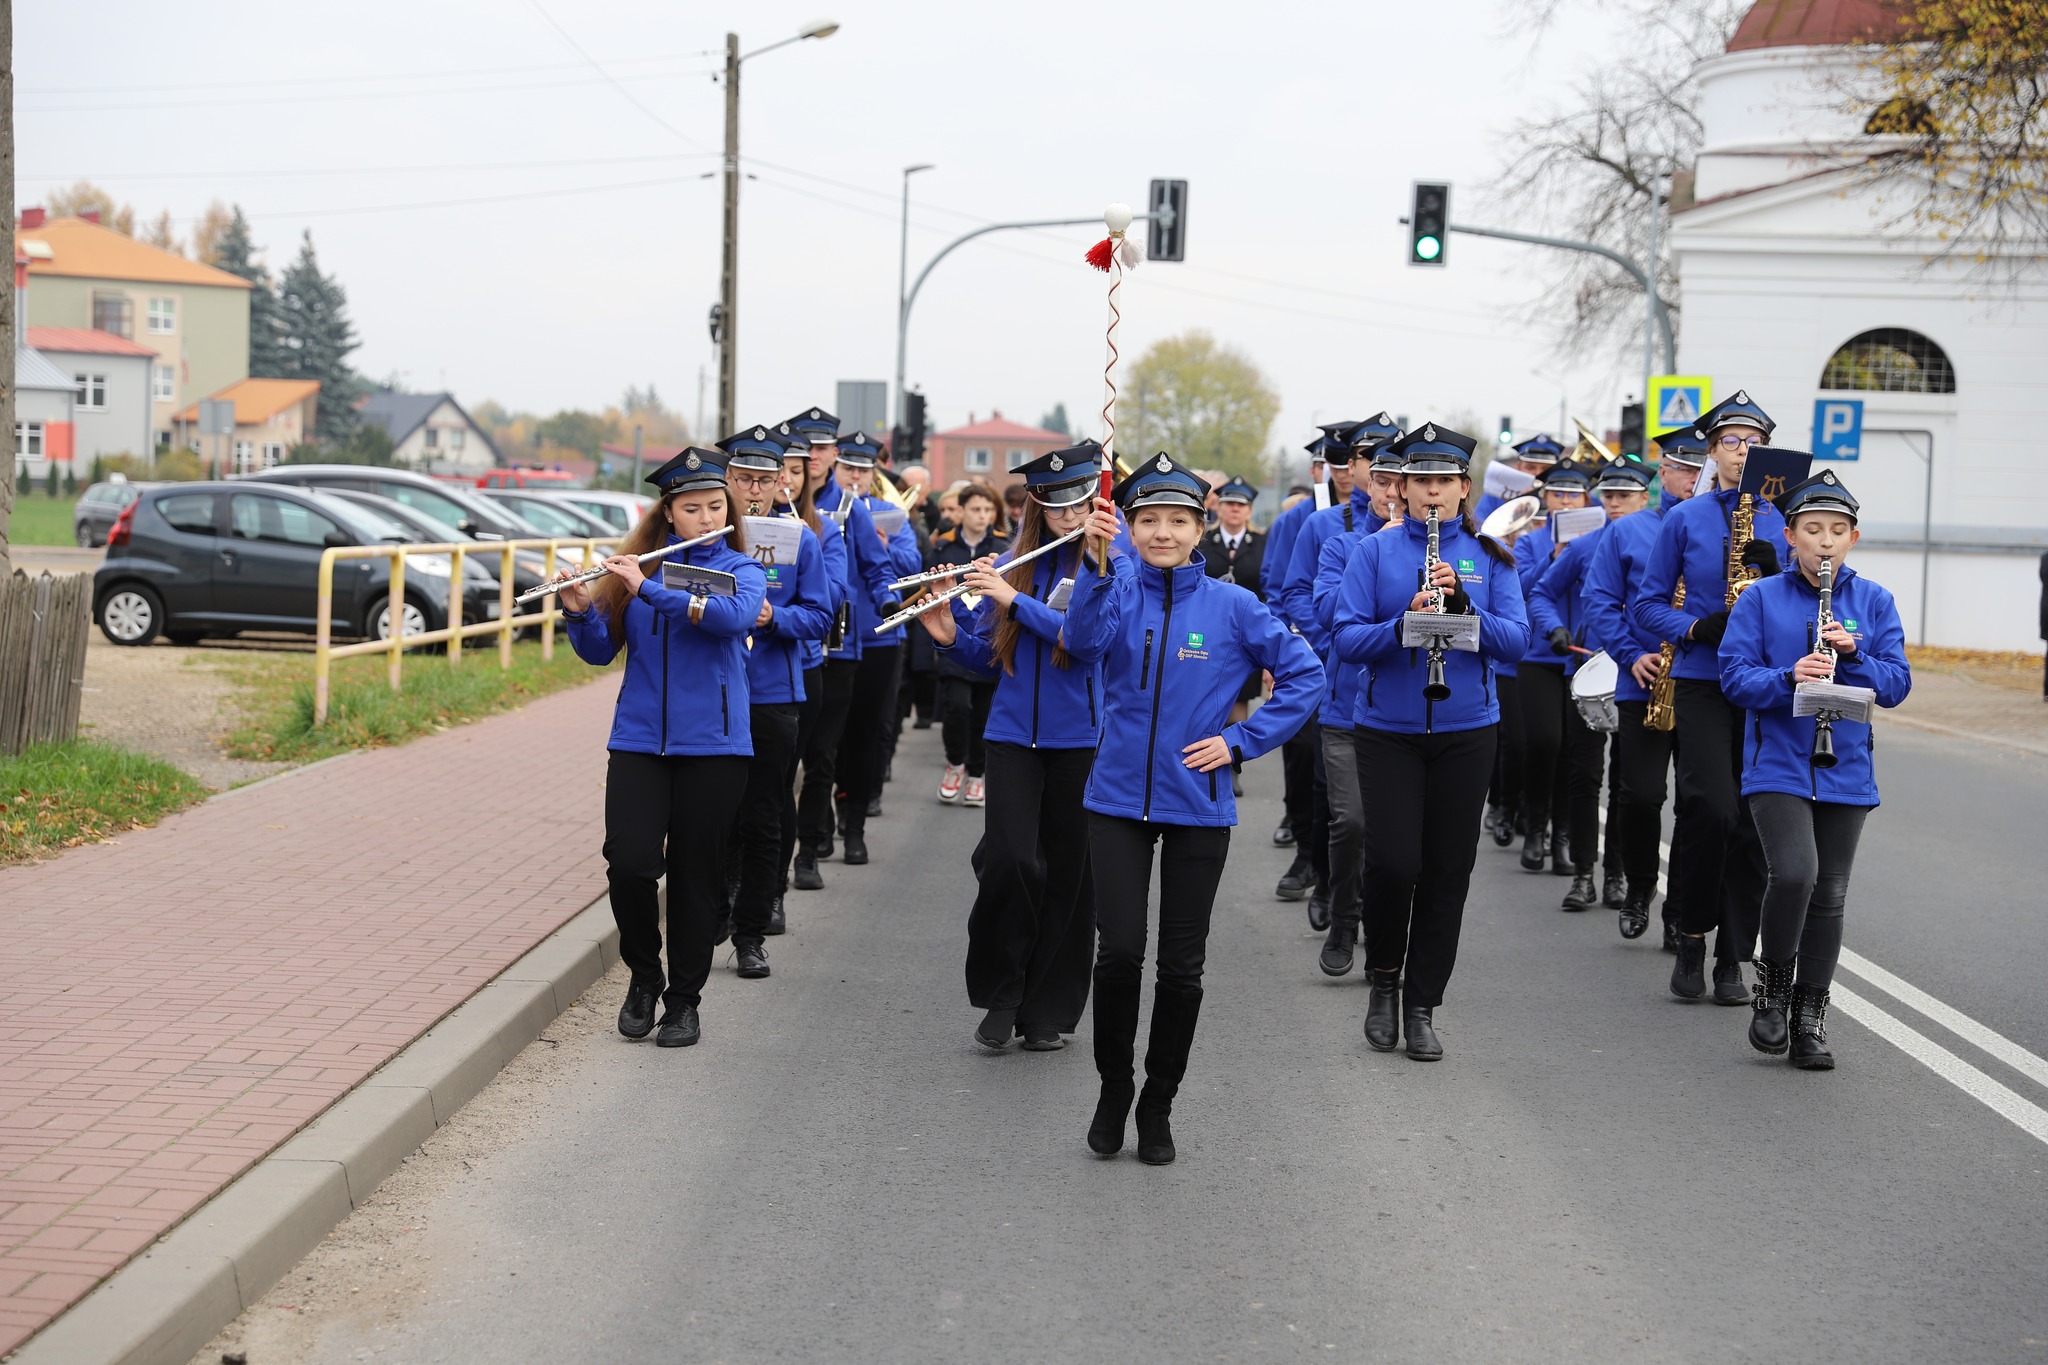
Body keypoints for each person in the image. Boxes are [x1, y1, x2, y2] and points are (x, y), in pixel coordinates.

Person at [1065, 453, 1322, 1165]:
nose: (1162, 533)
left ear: (1201, 528)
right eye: (1148, 520)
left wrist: (1241, 742)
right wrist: (1092, 564)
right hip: (1115, 798)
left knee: (1181, 967)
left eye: (1178, 521)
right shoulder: (1112, 585)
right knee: (1118, 952)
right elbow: (1079, 644)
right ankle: (1114, 1087)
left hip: (1198, 808)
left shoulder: (1236, 607)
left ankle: (1158, 1099)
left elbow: (1305, 674)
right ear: (1131, 527)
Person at [554, 447, 766, 1049]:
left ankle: (684, 1002)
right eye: (691, 508)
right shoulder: (637, 570)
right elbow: (600, 652)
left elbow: (731, 619)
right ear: (669, 514)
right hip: (641, 741)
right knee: (628, 863)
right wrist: (579, 613)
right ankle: (644, 979)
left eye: (714, 506)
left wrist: (646, 588)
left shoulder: (740, 571)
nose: (704, 518)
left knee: (698, 878)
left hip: (717, 748)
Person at [1331, 423, 1530, 1061]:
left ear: (1464, 489)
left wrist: (1464, 605)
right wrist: (1404, 623)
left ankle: (1421, 1003)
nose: (1432, 493)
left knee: (1448, 872)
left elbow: (1518, 642)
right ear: (1401, 491)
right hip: (1387, 730)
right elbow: (1346, 638)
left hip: (1467, 730)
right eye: (1421, 482)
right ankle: (1383, 982)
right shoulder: (1375, 553)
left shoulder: (1491, 555)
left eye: (1444, 482)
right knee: (1393, 864)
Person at [918, 444, 1106, 1051]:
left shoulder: (1111, 568)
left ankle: (1045, 1008)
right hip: (1010, 740)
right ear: (1037, 506)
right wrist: (948, 638)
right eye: (1055, 503)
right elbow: (989, 656)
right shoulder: (1012, 564)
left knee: (1067, 876)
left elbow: (1086, 641)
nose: (1068, 514)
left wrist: (1011, 600)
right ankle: (1004, 990)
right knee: (1008, 861)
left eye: (1079, 501)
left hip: (1080, 739)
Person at [1720, 469, 1910, 1068]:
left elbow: (1898, 684)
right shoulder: (1760, 598)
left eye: (1837, 531)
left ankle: (1810, 1016)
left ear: (1853, 538)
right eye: (1812, 530)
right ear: (1789, 535)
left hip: (1846, 766)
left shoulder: (1874, 601)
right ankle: (1773, 992)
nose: (1824, 542)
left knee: (1830, 892)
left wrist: (1854, 658)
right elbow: (1733, 677)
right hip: (1777, 763)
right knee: (1797, 873)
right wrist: (1787, 677)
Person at [1632, 391, 1790, 1004]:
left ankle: (1733, 956)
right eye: (1731, 440)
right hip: (1701, 677)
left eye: (1753, 442)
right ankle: (1692, 930)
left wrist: (1780, 575)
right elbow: (1645, 604)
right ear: (1713, 450)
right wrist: (1697, 628)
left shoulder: (1788, 515)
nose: (1741, 450)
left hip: (1768, 683)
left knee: (1754, 822)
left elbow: (1819, 597)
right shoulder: (1685, 518)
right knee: (1709, 807)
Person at [720, 427, 835, 979]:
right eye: (744, 479)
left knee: (765, 813)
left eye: (766, 480)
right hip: (716, 690)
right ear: (728, 479)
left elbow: (820, 616)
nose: (755, 490)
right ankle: (719, 904)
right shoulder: (701, 536)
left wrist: (774, 617)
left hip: (772, 691)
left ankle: (753, 929)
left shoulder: (798, 539)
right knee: (716, 811)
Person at [1585, 427, 1703, 946]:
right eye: (1683, 469)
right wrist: (1631, 656)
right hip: (1645, 681)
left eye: (1702, 471)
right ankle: (1638, 887)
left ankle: (1680, 910)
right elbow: (1601, 600)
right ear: (1664, 474)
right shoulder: (1627, 530)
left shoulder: (1727, 527)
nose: (1693, 480)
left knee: (1699, 804)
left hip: (1704, 683)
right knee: (1640, 795)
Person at [1306, 428, 1406, 973]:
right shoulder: (1341, 545)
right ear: (1365, 482)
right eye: (1382, 480)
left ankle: (1385, 928)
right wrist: (1377, 553)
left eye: (1401, 483)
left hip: (1409, 712)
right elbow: (1326, 611)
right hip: (1347, 708)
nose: (1391, 491)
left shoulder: (1434, 547)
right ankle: (1345, 918)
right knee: (1352, 822)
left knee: (1398, 840)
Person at [1528, 460, 1649, 911]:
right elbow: (1540, 593)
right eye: (1608, 495)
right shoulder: (1584, 546)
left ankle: (1616, 873)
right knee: (1584, 776)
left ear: (1644, 498)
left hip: (1640, 675)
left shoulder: (1661, 546)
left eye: (1624, 495)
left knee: (1628, 781)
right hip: (1587, 674)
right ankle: (1583, 874)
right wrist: (1555, 629)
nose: (1614, 503)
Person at [795, 411, 897, 882]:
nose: (814, 458)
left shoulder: (851, 508)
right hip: (787, 643)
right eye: (805, 449)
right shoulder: (780, 507)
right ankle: (812, 833)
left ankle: (848, 831)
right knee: (805, 750)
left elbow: (876, 568)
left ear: (833, 455)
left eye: (821, 449)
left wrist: (890, 599)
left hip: (842, 645)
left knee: (846, 745)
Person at [1264, 427, 1352, 856]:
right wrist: (1308, 645)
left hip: (1368, 658)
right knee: (1303, 753)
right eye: (1339, 465)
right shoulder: (1301, 519)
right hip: (1309, 651)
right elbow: (1279, 588)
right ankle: (1304, 846)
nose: (1350, 475)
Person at [773, 437, 846, 914]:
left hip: (803, 667)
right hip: (747, 675)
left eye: (795, 472)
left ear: (808, 479)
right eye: (776, 470)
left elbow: (832, 595)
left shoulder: (819, 531)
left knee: (806, 768)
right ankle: (755, 884)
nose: (784, 480)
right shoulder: (730, 530)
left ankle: (802, 861)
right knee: (764, 786)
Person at [1512, 463, 1595, 881]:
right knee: (1544, 741)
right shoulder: (1530, 542)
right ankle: (1534, 824)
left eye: (1574, 495)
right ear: (1546, 499)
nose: (1565, 501)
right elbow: (1520, 587)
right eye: (1559, 494)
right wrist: (1554, 557)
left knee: (1572, 752)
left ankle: (1562, 835)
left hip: (1584, 657)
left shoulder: (1600, 540)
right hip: (1539, 656)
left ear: (1586, 500)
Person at [926, 481, 1010, 804]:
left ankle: (977, 773)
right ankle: (955, 763)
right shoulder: (944, 547)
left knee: (983, 713)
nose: (983, 516)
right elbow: (935, 592)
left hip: (989, 639)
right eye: (976, 509)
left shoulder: (1004, 549)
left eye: (988, 510)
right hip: (955, 638)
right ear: (961, 511)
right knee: (957, 708)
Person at [1199, 476, 1270, 799]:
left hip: (1245, 633)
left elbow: (1268, 588)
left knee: (1238, 698)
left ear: (1249, 510)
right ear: (1220, 507)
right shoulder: (1204, 541)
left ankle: (1232, 765)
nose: (1234, 510)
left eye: (1240, 505)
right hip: (1207, 629)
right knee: (1204, 695)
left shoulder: (1263, 543)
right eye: (1229, 504)